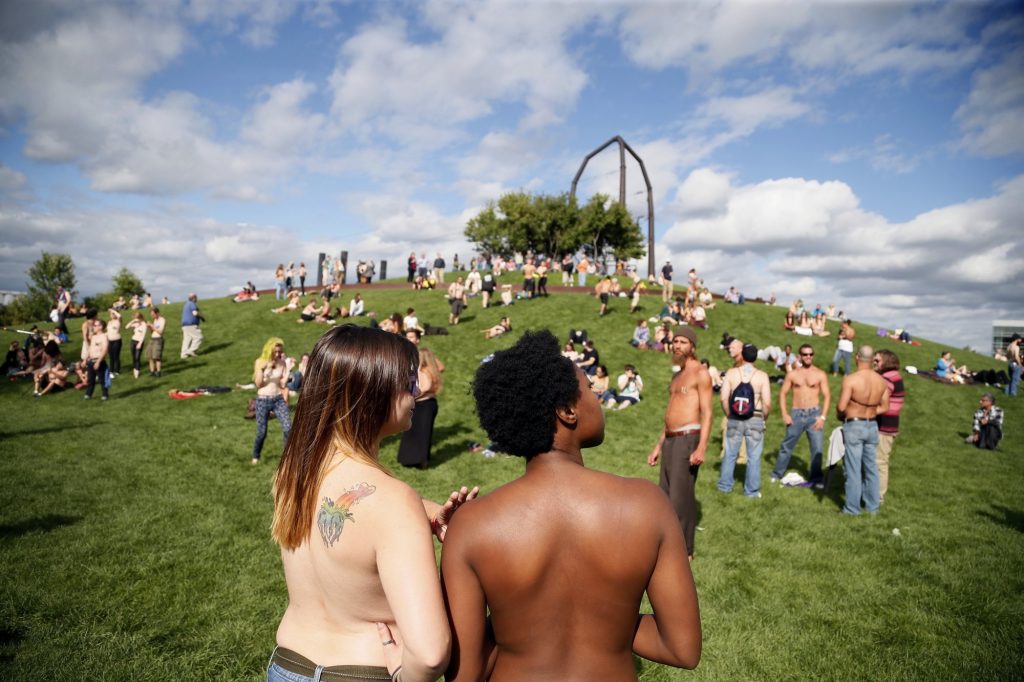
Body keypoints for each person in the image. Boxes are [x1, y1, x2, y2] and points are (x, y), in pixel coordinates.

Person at [439, 331, 701, 681]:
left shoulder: (472, 524)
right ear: (567, 411)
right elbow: (681, 647)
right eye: (590, 388)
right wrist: (611, 618)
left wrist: (515, 618)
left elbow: (465, 674)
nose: (597, 396)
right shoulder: (647, 504)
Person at [268, 325, 477, 682]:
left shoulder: (293, 474)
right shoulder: (393, 502)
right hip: (360, 672)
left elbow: (350, 504)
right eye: (408, 382)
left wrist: (427, 512)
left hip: (287, 666)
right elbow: (429, 655)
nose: (416, 391)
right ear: (372, 392)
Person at [647, 327, 712, 560]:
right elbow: (671, 414)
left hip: (688, 438)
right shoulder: (677, 376)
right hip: (670, 439)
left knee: (680, 496)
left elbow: (707, 413)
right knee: (665, 495)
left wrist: (701, 446)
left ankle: (686, 550)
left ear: (692, 346)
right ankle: (666, 544)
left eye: (683, 342)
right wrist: (658, 445)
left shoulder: (700, 373)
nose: (677, 346)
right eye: (675, 341)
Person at [836, 345, 890, 515]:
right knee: (871, 468)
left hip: (855, 425)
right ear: (872, 359)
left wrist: (844, 414)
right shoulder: (881, 381)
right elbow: (885, 407)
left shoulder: (851, 379)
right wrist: (871, 411)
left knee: (853, 469)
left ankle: (852, 509)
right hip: (872, 425)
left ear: (857, 357)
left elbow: (841, 407)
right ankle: (873, 508)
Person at [770, 344, 830, 486]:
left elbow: (827, 396)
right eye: (805, 354)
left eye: (810, 354)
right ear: (800, 356)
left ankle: (816, 478)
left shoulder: (820, 374)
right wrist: (785, 414)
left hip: (814, 415)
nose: (808, 356)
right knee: (786, 446)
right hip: (796, 414)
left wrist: (823, 417)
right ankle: (777, 474)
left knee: (817, 448)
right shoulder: (793, 374)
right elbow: (782, 393)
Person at [717, 343, 772, 498]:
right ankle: (751, 491)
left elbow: (723, 398)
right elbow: (767, 403)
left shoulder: (731, 373)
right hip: (755, 417)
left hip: (735, 417)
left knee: (730, 453)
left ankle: (724, 486)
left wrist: (729, 414)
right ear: (756, 357)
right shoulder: (762, 376)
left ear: (742, 355)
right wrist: (763, 418)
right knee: (754, 457)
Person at [397, 347, 443, 469]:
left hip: (421, 406)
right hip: (430, 404)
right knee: (425, 433)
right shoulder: (433, 371)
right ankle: (421, 459)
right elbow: (441, 367)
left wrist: (412, 397)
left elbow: (425, 387)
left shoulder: (422, 371)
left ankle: (412, 459)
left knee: (414, 432)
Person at [251, 338, 292, 465]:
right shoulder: (260, 362)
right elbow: (259, 384)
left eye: (280, 351)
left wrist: (288, 370)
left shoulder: (282, 362)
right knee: (262, 432)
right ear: (269, 351)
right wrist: (263, 370)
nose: (278, 354)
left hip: (278, 399)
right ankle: (256, 456)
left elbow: (282, 384)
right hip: (262, 400)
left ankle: (287, 457)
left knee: (288, 428)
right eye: (275, 352)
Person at [873, 349, 905, 503]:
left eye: (877, 360)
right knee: (879, 461)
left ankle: (878, 497)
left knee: (880, 462)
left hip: (884, 426)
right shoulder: (895, 376)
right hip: (887, 426)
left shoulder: (887, 378)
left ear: (887, 361)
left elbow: (877, 398)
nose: (874, 362)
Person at [83, 318, 110, 401]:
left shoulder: (104, 337)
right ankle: (88, 394)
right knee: (90, 379)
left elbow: (104, 350)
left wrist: (98, 362)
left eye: (95, 325)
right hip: (91, 361)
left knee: (102, 380)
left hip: (99, 361)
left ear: (100, 327)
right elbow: (90, 349)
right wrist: (85, 359)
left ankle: (105, 395)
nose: (93, 327)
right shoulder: (94, 337)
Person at [180, 293, 203, 359]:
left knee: (187, 340)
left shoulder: (186, 304)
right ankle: (191, 350)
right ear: (194, 298)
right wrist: (201, 317)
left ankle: (183, 355)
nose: (197, 299)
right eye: (196, 297)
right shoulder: (192, 304)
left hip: (184, 325)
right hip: (191, 325)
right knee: (199, 337)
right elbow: (195, 313)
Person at [126, 312, 147, 379]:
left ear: (140, 318)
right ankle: (135, 368)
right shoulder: (136, 324)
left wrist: (140, 343)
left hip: (139, 341)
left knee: (137, 357)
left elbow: (143, 335)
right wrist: (133, 321)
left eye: (137, 318)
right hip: (133, 341)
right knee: (134, 357)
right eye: (135, 318)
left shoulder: (144, 324)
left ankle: (137, 371)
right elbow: (126, 327)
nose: (136, 319)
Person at [147, 307, 165, 377]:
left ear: (157, 313)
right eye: (151, 315)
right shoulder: (155, 320)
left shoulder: (162, 320)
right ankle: (152, 372)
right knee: (150, 356)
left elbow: (160, 332)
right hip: (152, 339)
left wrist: (152, 325)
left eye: (153, 314)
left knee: (156, 357)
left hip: (158, 339)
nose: (152, 316)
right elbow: (152, 331)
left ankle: (158, 372)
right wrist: (149, 327)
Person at [106, 308, 122, 376]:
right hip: (110, 341)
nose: (112, 315)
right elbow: (108, 332)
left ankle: (117, 371)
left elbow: (120, 316)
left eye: (113, 314)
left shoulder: (118, 321)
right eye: (111, 314)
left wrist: (113, 311)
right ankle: (111, 371)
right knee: (111, 356)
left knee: (116, 356)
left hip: (116, 340)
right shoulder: (109, 322)